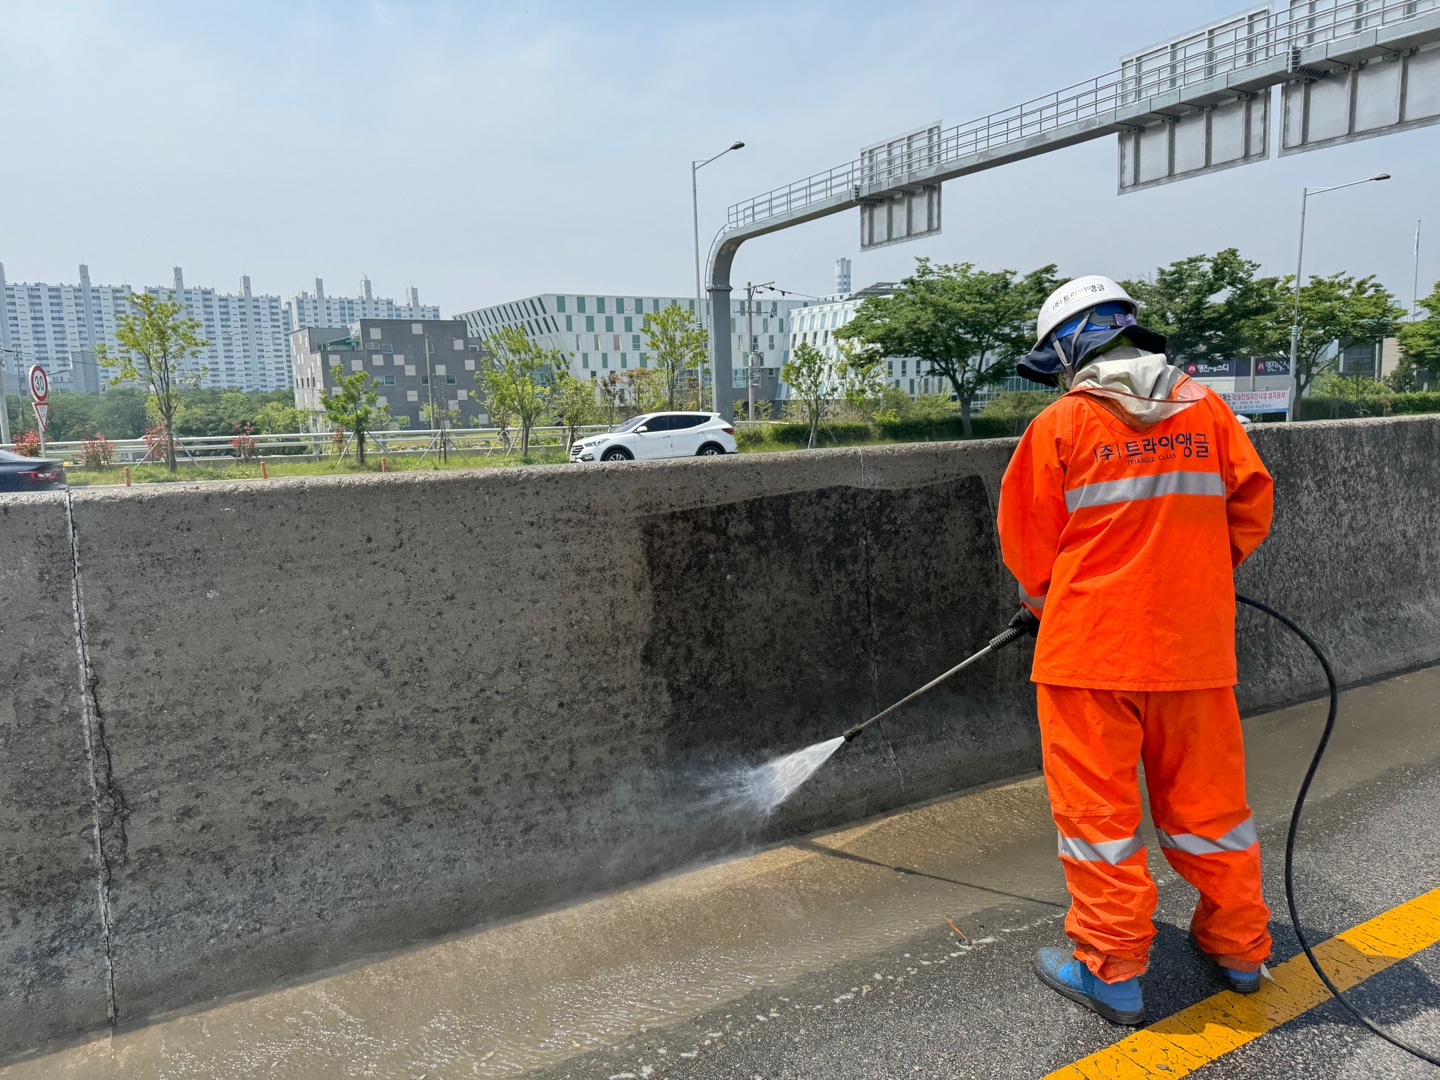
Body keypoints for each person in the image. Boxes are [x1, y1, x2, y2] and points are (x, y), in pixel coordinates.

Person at [996, 275, 1275, 1026]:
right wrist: (1188, 579)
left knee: (1101, 820)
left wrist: (1043, 607)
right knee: (1212, 810)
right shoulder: (1210, 411)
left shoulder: (1061, 426)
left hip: (1088, 657)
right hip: (1194, 653)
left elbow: (1030, 549)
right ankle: (1241, 948)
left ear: (1068, 348)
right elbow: (1249, 509)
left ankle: (1111, 971)